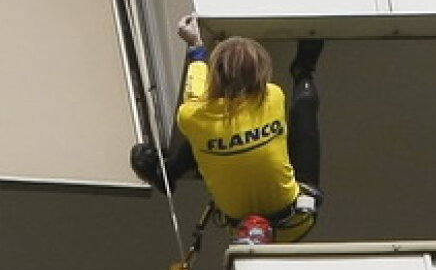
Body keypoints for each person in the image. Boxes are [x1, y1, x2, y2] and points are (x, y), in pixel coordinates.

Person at [132, 16, 324, 243]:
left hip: (244, 228)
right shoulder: (273, 96)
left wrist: (197, 47)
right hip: (294, 221)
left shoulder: (193, 116)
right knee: (303, 106)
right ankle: (304, 70)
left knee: (205, 134)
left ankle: (167, 173)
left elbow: (194, 95)